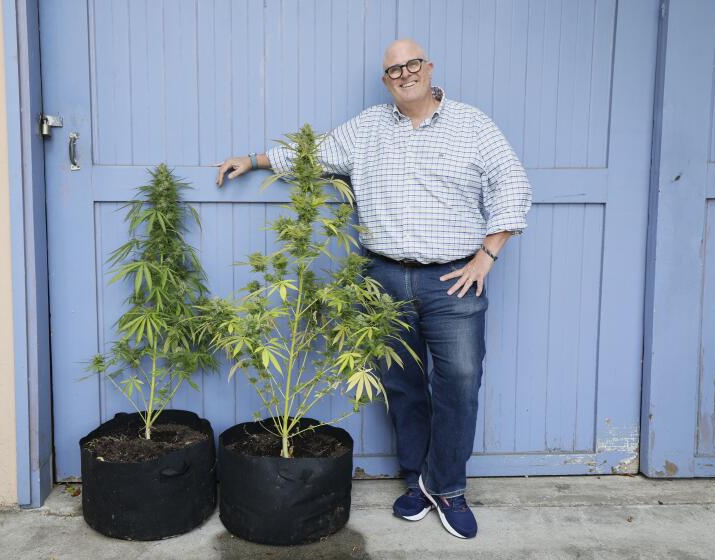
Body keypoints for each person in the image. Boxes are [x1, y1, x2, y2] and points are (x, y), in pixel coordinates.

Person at [215, 38, 531, 540]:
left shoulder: (473, 125)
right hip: (382, 278)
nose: (404, 74)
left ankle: (447, 487)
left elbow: (513, 184)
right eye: (393, 70)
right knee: (403, 386)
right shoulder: (368, 128)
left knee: (459, 384)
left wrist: (486, 255)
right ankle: (416, 480)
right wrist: (253, 160)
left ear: (429, 68)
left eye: (412, 64)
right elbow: (311, 154)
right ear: (387, 81)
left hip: (452, 280)